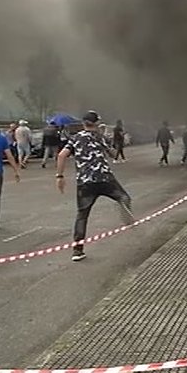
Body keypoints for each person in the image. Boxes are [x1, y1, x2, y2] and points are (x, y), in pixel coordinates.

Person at [55, 111, 133, 262]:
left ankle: (77, 251)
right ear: (97, 123)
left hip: (85, 181)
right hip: (104, 178)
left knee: (82, 215)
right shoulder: (100, 137)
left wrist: (59, 176)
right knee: (125, 197)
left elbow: (61, 155)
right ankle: (125, 209)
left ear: (84, 123)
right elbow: (113, 154)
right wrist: (110, 141)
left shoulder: (75, 138)